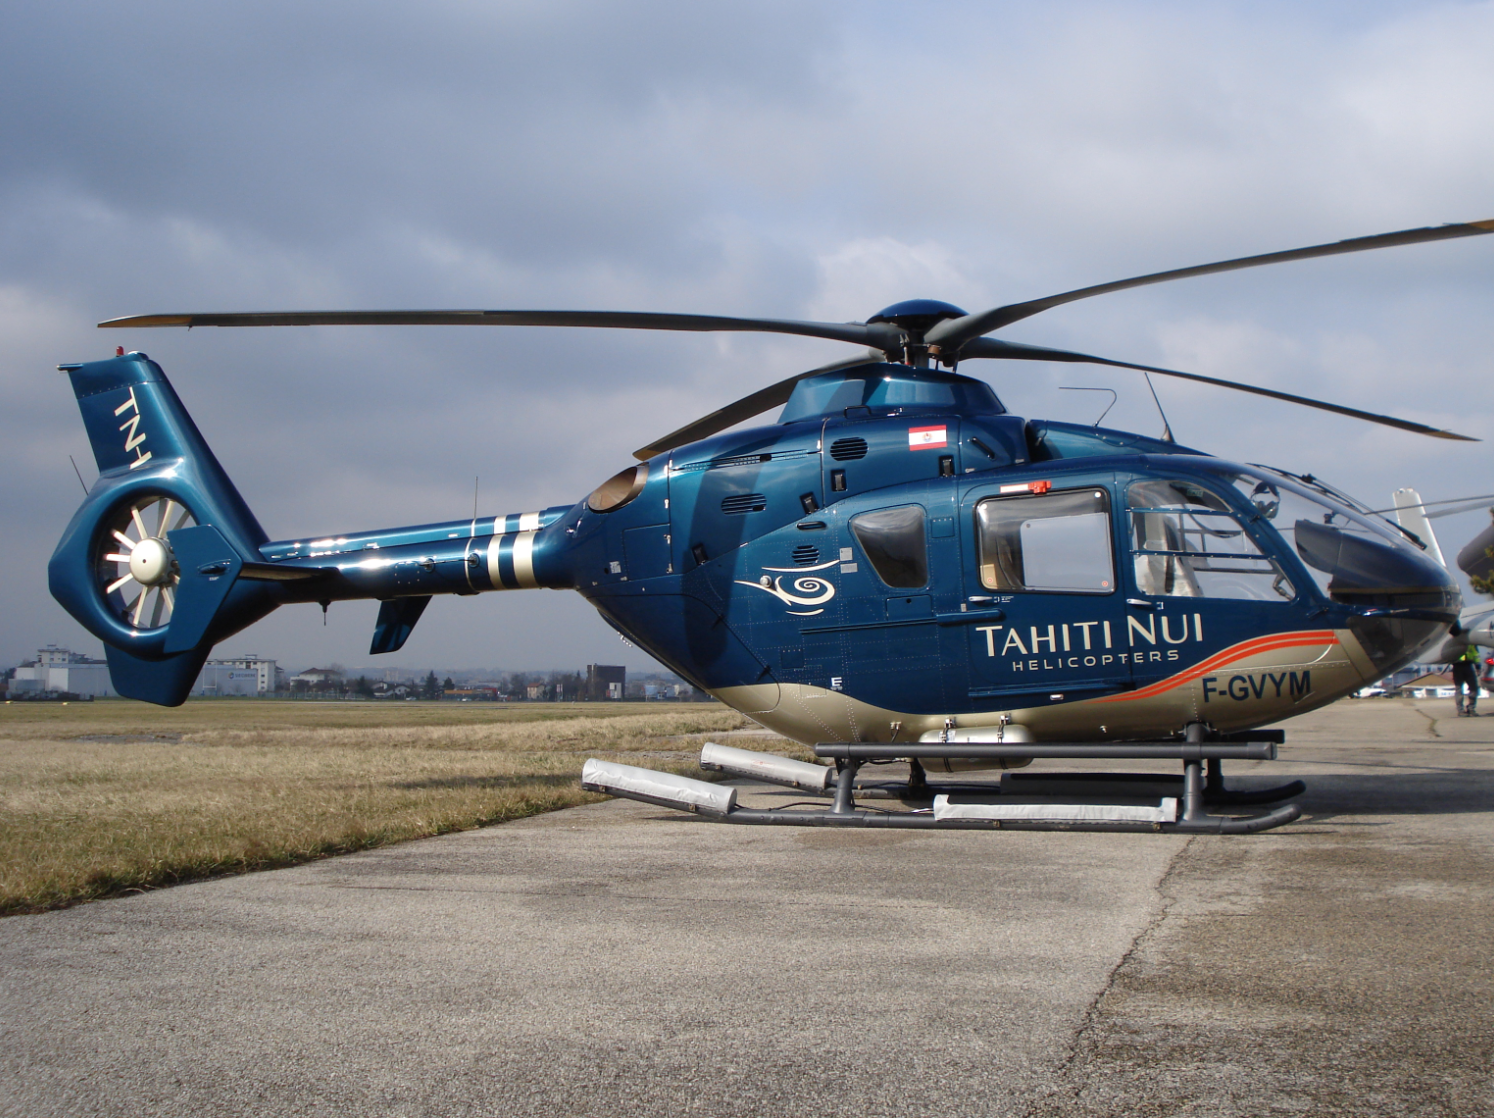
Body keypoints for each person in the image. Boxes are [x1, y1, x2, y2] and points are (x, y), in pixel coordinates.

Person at [1452, 643, 1482, 716]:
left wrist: (1478, 666)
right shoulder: (1454, 642)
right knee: (1459, 689)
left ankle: (1471, 708)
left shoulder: (1471, 643)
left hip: (1468, 666)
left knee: (1474, 688)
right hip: (1457, 666)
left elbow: (1475, 654)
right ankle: (1461, 710)